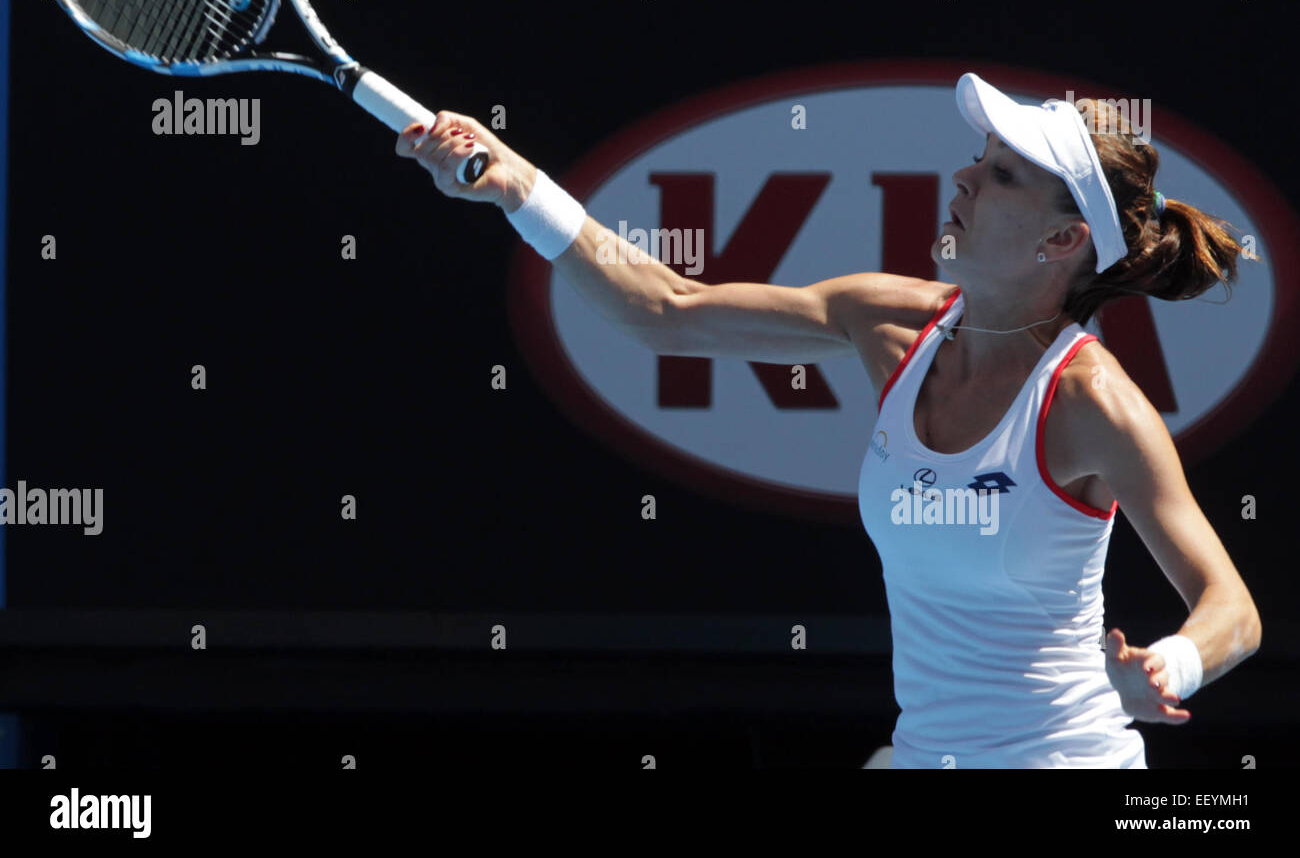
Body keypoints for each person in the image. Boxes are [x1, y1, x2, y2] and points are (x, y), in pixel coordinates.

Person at [395, 72, 1261, 768]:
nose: (962, 178)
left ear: (1063, 241)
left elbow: (1232, 607)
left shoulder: (1090, 402)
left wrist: (1168, 664)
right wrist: (520, 188)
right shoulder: (888, 320)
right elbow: (664, 307)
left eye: (1000, 176)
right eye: (978, 158)